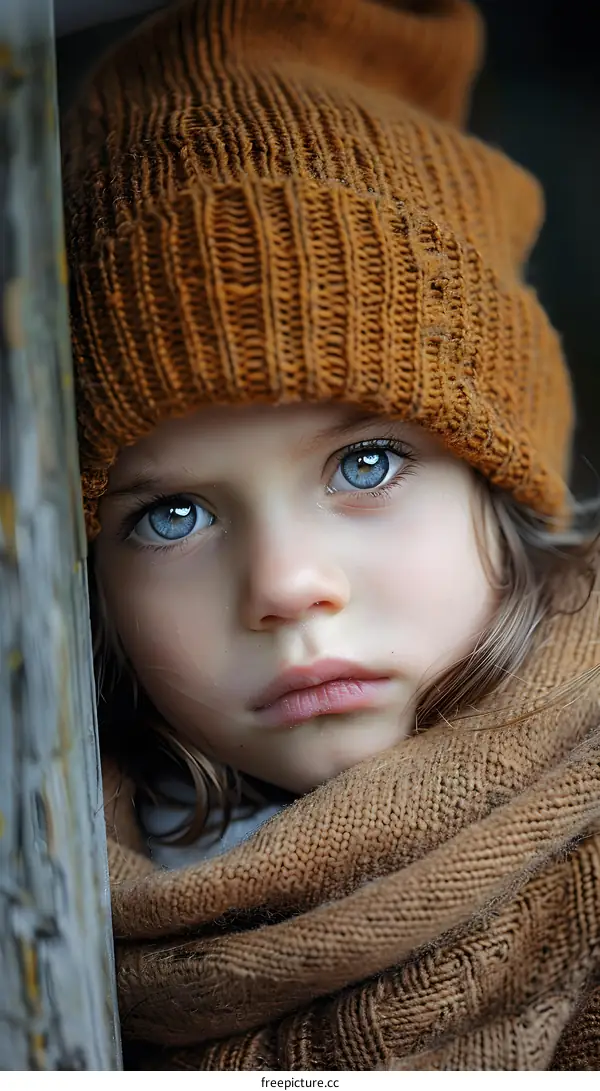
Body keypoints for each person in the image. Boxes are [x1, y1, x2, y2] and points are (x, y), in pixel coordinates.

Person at [61, 0, 600, 1071]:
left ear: (501, 477)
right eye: (172, 514)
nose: (287, 583)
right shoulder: (55, 894)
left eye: (367, 464)